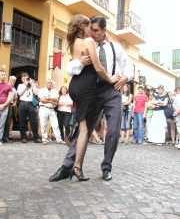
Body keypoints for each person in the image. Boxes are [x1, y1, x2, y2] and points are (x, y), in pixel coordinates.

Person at [49, 15, 134, 182]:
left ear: (104, 31)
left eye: (96, 30)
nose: (92, 33)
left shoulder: (115, 47)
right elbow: (69, 67)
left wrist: (125, 77)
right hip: (92, 91)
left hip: (112, 90)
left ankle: (106, 167)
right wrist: (79, 62)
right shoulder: (86, 42)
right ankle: (67, 167)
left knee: (114, 130)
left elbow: (129, 65)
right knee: (83, 130)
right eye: (91, 29)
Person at [38, 79, 66, 145]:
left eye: (51, 83)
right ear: (46, 83)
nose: (50, 84)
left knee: (55, 124)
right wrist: (51, 101)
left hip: (51, 109)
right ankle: (44, 139)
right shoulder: (42, 90)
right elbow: (42, 100)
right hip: (43, 108)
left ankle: (59, 139)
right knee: (43, 124)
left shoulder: (54, 91)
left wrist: (47, 98)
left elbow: (56, 99)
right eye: (48, 83)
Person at [17, 72, 41, 143]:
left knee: (33, 121)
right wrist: (26, 85)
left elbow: (36, 93)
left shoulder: (31, 85)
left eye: (27, 78)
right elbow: (20, 93)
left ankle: (36, 137)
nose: (26, 79)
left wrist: (32, 84)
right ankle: (23, 137)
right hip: (23, 103)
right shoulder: (20, 85)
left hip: (30, 104)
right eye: (24, 78)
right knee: (22, 121)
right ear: (22, 79)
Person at [2, 76, 17, 143]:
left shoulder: (14, 89)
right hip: (3, 104)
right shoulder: (5, 86)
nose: (13, 81)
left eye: (14, 80)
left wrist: (14, 103)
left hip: (10, 106)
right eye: (12, 80)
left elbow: (15, 98)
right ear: (9, 80)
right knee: (2, 122)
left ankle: (5, 137)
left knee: (8, 122)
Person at [0, 69, 13, 146]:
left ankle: (0, 139)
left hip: (5, 107)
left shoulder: (9, 86)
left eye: (4, 75)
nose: (3, 76)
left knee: (1, 124)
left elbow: (10, 97)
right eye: (2, 75)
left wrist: (3, 105)